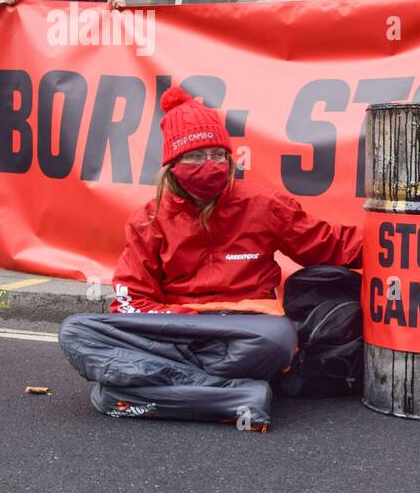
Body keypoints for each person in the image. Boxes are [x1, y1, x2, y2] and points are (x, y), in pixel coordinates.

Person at [58, 87, 363, 429]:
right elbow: (130, 300)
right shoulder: (148, 219)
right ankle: (232, 395)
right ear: (173, 165)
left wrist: (400, 239)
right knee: (76, 331)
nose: (209, 165)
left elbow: (330, 244)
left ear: (231, 160)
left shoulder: (265, 204)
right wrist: (181, 320)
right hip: (178, 327)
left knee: (278, 339)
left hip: (245, 329)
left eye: (218, 154)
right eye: (195, 156)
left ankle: (137, 389)